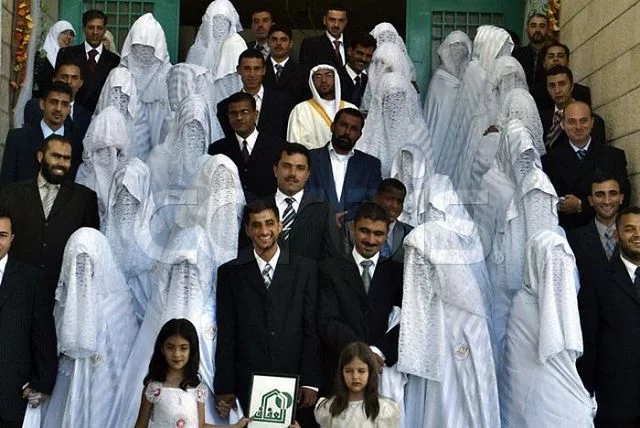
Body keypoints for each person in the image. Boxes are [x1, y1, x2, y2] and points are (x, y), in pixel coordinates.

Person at [399, 174, 499, 428]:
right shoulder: (470, 235)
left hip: (440, 324)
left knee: (442, 391)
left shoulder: (421, 237)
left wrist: (413, 351)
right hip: (474, 326)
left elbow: (417, 299)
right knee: (472, 389)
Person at [214, 200, 321, 423]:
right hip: (248, 381)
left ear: (280, 225)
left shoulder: (305, 269)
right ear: (247, 230)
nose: (264, 231)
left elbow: (311, 328)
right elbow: (227, 334)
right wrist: (225, 386)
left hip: (293, 379)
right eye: (256, 225)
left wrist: (311, 381)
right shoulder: (230, 273)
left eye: (269, 223)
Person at [42, 227, 139, 428]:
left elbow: (120, 360)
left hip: (105, 392)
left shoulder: (118, 304)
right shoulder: (64, 303)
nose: (83, 272)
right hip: (65, 385)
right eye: (77, 265)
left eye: (87, 264)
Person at [501, 230, 595, 427]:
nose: (558, 275)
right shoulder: (524, 305)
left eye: (563, 268)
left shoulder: (547, 304)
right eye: (552, 267)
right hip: (534, 398)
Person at [0, 135, 99, 304]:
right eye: (55, 156)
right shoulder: (11, 193)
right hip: (16, 292)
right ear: (40, 157)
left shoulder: (85, 198)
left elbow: (91, 249)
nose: (61, 163)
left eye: (66, 158)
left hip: (61, 295)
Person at [318, 202, 403, 393]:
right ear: (353, 228)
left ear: (386, 234)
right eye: (365, 231)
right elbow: (327, 320)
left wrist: (378, 352)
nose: (371, 240)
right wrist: (362, 353)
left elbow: (407, 323)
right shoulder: (330, 269)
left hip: (384, 375)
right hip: (340, 372)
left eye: (378, 233)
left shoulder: (397, 273)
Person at [578, 206, 640, 427]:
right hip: (615, 402)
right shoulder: (597, 280)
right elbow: (588, 341)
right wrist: (586, 393)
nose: (637, 235)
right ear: (616, 235)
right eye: (630, 229)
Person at [135, 318, 250, 428]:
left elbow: (201, 426)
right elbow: (141, 425)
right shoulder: (153, 388)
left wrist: (234, 426)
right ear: (162, 349)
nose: (176, 354)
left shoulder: (198, 389)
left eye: (183, 348)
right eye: (170, 347)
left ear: (191, 350)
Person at [0, 209, 57, 427]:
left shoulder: (30, 279)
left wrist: (42, 382)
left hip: (10, 393)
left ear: (12, 239)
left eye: (2, 235)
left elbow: (43, 334)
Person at [542, 101, 630, 230]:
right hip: (568, 232)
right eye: (572, 122)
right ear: (563, 124)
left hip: (607, 230)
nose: (578, 127)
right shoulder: (549, 161)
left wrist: (580, 205)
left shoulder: (613, 156)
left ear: (592, 123)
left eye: (583, 121)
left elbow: (624, 197)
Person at [263, 143, 340, 260]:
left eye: (300, 168)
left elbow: (331, 259)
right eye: (286, 166)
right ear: (275, 170)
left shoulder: (323, 210)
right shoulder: (257, 208)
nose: (292, 173)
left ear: (308, 174)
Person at [306, 108, 381, 226]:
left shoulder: (370, 166)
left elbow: (372, 202)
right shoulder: (309, 159)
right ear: (332, 127)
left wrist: (345, 219)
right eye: (343, 125)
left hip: (353, 230)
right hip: (313, 227)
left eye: (354, 129)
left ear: (360, 135)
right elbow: (301, 195)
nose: (347, 132)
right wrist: (327, 218)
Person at [208, 92, 285, 202]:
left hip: (268, 209)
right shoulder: (217, 150)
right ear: (228, 117)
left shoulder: (278, 147)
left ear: (255, 114)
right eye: (234, 113)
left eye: (244, 112)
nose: (239, 118)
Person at [1, 82, 81, 186]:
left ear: (69, 109)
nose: (58, 108)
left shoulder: (76, 143)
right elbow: (6, 184)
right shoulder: (18, 138)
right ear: (42, 104)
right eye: (53, 102)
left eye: (64, 104)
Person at [119, 13, 172, 159]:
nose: (143, 54)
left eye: (148, 50)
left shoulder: (169, 78)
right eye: (138, 48)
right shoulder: (121, 76)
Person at [314, 342, 400, 427]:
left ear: (370, 373)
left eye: (361, 371)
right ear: (341, 373)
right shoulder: (330, 407)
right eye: (348, 371)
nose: (355, 376)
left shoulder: (383, 410)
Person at [217, 49, 292, 139]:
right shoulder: (224, 106)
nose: (252, 74)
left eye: (257, 69)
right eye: (247, 68)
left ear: (264, 70)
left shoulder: (283, 102)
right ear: (239, 70)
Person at [55, 9, 120, 113]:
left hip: (100, 115)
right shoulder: (66, 54)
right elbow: (58, 86)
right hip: (71, 115)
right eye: (91, 28)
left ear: (104, 30)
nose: (95, 32)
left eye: (99, 28)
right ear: (84, 29)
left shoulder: (114, 60)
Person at [423, 30, 472, 163]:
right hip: (438, 135)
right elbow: (435, 114)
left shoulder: (469, 79)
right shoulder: (439, 79)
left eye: (461, 49)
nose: (457, 53)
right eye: (453, 49)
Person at [568, 172, 624, 278]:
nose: (607, 201)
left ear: (621, 198)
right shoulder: (574, 239)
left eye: (613, 194)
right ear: (591, 200)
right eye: (600, 195)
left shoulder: (635, 234)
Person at [343, 179, 413, 263]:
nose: (395, 205)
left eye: (400, 201)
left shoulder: (410, 233)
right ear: (376, 197)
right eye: (390, 199)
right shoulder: (350, 228)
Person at [287, 65, 356, 149]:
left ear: (336, 79)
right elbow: (295, 145)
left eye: (328, 75)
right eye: (318, 76)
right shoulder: (301, 110)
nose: (323, 80)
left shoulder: (351, 108)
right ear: (311, 81)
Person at [24, 59, 92, 144]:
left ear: (81, 83)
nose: (69, 82)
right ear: (55, 79)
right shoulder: (34, 106)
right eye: (64, 77)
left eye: (74, 78)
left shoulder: (86, 116)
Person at [541, 65, 606, 149]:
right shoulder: (541, 120)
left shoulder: (591, 121)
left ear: (572, 86)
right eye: (552, 85)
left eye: (562, 84)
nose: (557, 90)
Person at [532, 42, 591, 112]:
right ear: (544, 63)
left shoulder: (582, 92)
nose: (555, 59)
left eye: (560, 56)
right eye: (551, 56)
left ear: (568, 61)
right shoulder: (535, 94)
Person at [185, 0, 243, 72]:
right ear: (208, 24)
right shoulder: (197, 51)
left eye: (224, 22)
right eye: (216, 21)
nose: (219, 27)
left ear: (230, 25)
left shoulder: (237, 47)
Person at [263, 26, 308, 104]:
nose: (278, 43)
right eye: (274, 39)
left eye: (283, 39)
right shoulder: (258, 70)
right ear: (268, 42)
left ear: (291, 43)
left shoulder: (302, 72)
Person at [299, 4, 350, 69]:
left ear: (346, 22)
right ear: (324, 20)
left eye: (341, 20)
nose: (336, 25)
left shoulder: (352, 44)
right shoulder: (311, 44)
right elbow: (305, 71)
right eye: (332, 20)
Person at [33, 20, 75, 97]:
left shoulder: (70, 57)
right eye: (64, 33)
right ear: (55, 33)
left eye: (71, 34)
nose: (69, 37)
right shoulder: (42, 55)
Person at [512, 13, 549, 91]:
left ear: (548, 30)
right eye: (533, 26)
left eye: (542, 26)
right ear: (527, 29)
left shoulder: (553, 55)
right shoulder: (516, 55)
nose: (537, 30)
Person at [339, 34, 376, 107]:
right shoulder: (336, 77)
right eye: (360, 53)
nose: (363, 59)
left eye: (368, 56)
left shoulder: (369, 82)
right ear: (350, 51)